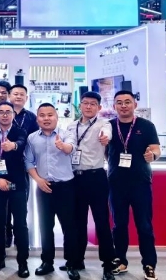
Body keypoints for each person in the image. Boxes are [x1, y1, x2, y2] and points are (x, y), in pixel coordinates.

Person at [108, 91, 160, 280]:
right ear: (114, 106)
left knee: (144, 225)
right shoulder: (109, 126)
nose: (123, 105)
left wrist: (152, 155)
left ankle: (149, 264)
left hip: (140, 183)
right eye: (119, 102)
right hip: (116, 183)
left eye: (127, 102)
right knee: (119, 225)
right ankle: (120, 261)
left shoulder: (146, 126)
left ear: (135, 105)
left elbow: (156, 149)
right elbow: (105, 151)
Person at [25, 103, 80, 280]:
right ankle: (47, 262)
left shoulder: (66, 134)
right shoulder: (32, 138)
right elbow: (28, 162)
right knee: (45, 227)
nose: (46, 118)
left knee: (69, 227)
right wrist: (38, 180)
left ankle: (72, 263)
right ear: (37, 119)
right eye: (42, 115)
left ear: (56, 117)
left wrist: (62, 146)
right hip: (44, 187)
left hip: (66, 187)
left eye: (50, 115)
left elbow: (71, 148)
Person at [65, 91, 115, 280]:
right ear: (80, 106)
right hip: (75, 179)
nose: (88, 106)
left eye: (93, 104)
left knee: (102, 223)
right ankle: (76, 261)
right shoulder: (71, 126)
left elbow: (107, 135)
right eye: (85, 103)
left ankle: (108, 265)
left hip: (96, 178)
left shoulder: (104, 124)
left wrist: (105, 139)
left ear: (99, 107)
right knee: (77, 223)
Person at [0, 102, 30, 278]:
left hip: (17, 183)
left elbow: (21, 143)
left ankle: (23, 262)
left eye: (8, 112)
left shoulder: (20, 131)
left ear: (13, 114)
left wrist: (13, 146)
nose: (5, 115)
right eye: (1, 112)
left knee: (20, 224)